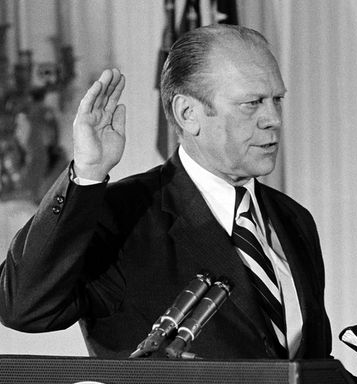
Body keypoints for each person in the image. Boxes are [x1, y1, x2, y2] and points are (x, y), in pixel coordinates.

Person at [0, 25, 333, 361]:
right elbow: (22, 306)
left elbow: (304, 371)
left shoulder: (294, 219)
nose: (273, 118)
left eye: (277, 99)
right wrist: (86, 174)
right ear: (188, 115)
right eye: (252, 103)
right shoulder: (122, 217)